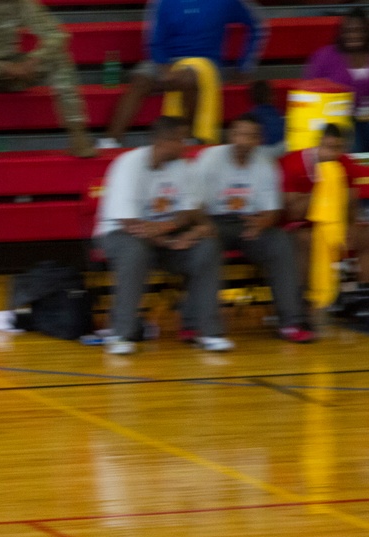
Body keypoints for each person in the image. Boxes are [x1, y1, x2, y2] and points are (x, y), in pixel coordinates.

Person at [94, 115, 232, 355]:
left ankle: (207, 331)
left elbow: (189, 211)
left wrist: (188, 233)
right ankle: (120, 334)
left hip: (163, 238)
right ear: (164, 141)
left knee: (207, 248)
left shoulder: (183, 167)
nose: (186, 145)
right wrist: (167, 238)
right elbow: (130, 224)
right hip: (121, 235)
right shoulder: (129, 164)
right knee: (134, 251)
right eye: (181, 139)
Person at [194, 114, 313, 342]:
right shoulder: (210, 159)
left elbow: (272, 211)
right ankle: (198, 324)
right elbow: (194, 205)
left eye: (250, 136)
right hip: (212, 221)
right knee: (205, 246)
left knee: (281, 242)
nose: (244, 140)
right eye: (240, 134)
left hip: (249, 223)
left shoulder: (265, 164)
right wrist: (205, 227)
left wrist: (261, 224)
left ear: (258, 139)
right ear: (231, 135)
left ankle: (291, 322)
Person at [100, 0, 267, 149]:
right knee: (139, 81)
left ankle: (188, 140)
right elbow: (154, 40)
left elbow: (257, 25)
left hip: (205, 63)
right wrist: (164, 66)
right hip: (166, 60)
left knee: (188, 78)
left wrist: (244, 67)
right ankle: (111, 141)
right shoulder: (162, 2)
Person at [0, 0, 95, 158]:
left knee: (59, 58)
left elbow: (57, 35)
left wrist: (33, 60)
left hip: (15, 68)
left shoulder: (21, 2)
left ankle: (78, 133)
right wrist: (6, 68)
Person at [280, 124, 369, 317]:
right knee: (306, 239)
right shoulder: (294, 162)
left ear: (344, 148)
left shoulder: (344, 163)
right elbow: (292, 212)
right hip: (300, 225)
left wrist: (350, 229)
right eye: (327, 147)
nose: (332, 154)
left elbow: (351, 204)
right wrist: (323, 186)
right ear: (318, 144)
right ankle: (301, 298)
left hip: (333, 224)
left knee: (366, 236)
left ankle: (363, 297)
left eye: (337, 148)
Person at [303, 8, 369, 153]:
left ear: (366, 32)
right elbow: (308, 89)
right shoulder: (325, 57)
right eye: (349, 31)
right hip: (338, 120)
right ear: (342, 33)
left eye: (359, 30)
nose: (354, 35)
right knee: (353, 146)